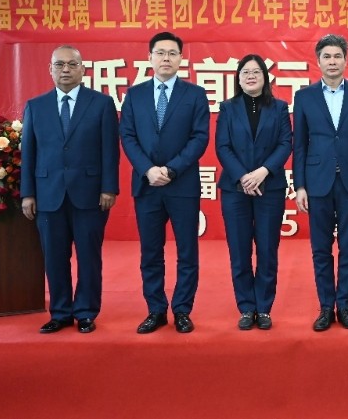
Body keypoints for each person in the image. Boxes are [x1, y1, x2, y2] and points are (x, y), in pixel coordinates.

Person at [21, 45, 119, 334]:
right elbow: (29, 153)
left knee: (89, 257)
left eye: (72, 64)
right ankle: (61, 312)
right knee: (54, 257)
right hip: (48, 195)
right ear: (50, 69)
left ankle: (86, 312)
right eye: (59, 64)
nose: (65, 69)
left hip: (90, 195)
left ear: (83, 69)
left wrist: (109, 188)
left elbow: (110, 150)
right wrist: (27, 193)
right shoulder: (36, 106)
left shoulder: (101, 103)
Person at [119, 31, 211, 334]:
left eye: (172, 53)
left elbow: (200, 138)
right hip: (147, 185)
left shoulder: (195, 94)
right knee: (150, 252)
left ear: (181, 58)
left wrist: (171, 169)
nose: (166, 58)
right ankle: (155, 310)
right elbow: (128, 136)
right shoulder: (135, 95)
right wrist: (147, 169)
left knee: (187, 252)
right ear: (150, 58)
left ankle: (182, 309)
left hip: (182, 185)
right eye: (160, 53)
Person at [293, 34, 348, 331]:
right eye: (327, 57)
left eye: (337, 56)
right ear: (318, 62)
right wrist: (300, 186)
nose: (332, 61)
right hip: (317, 182)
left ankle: (346, 305)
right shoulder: (304, 97)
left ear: (345, 60)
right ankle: (326, 307)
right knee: (320, 249)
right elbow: (300, 145)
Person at [215, 54, 292, 331]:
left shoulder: (279, 108)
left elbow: (285, 143)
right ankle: (247, 307)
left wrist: (263, 172)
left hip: (269, 187)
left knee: (268, 248)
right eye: (245, 72)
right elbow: (222, 146)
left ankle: (264, 307)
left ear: (265, 77)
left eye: (256, 72)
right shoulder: (227, 108)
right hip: (235, 188)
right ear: (238, 78)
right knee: (240, 249)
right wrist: (243, 176)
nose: (251, 76)